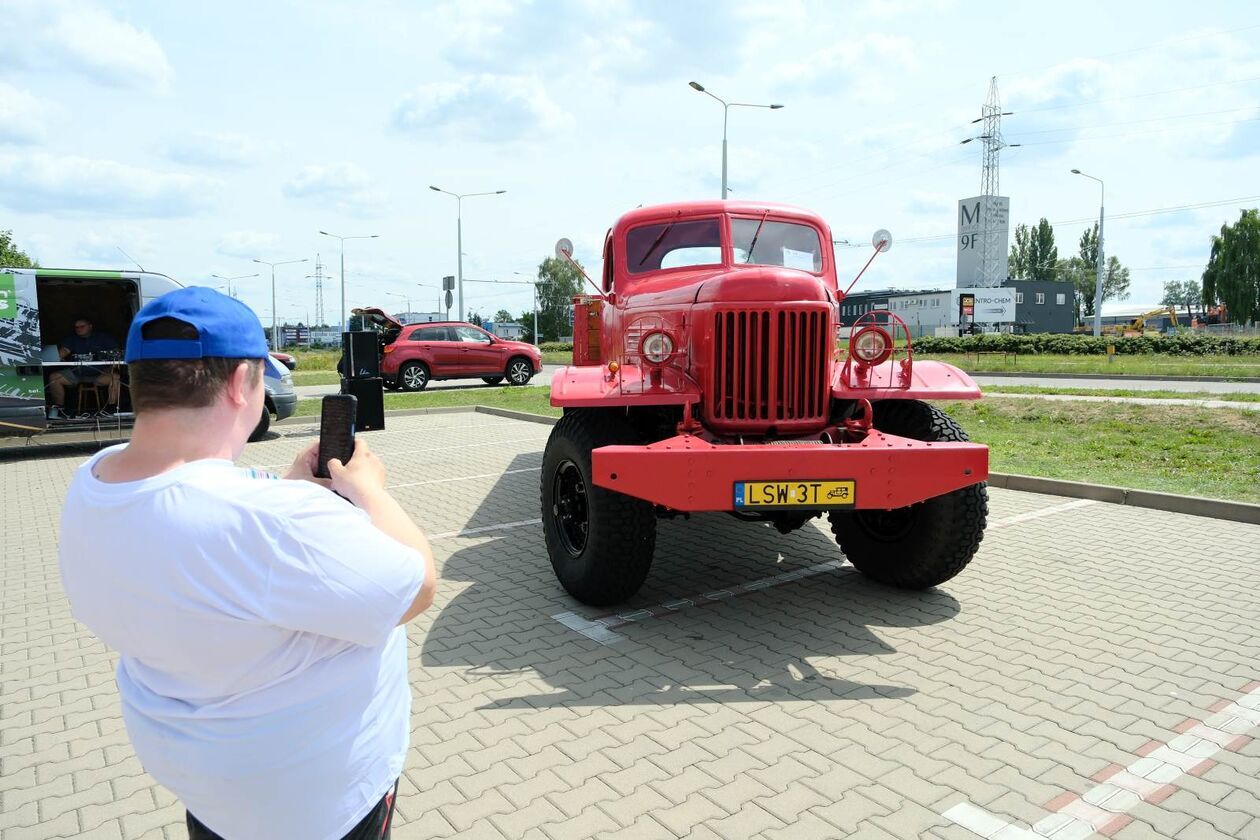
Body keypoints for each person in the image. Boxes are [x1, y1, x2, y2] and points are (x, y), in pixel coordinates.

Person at [58, 288, 436, 840]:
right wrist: (371, 491)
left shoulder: (93, 481)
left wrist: (287, 486)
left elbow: (200, 527)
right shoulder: (274, 522)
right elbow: (418, 585)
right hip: (317, 808)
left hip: (211, 796)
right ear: (240, 383)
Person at [48, 316, 123, 416]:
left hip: (99, 374)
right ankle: (59, 410)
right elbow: (63, 352)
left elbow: (116, 353)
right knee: (54, 377)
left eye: (82, 326)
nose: (78, 329)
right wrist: (56, 355)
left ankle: (111, 409)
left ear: (90, 326)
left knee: (115, 377)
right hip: (76, 374)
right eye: (76, 327)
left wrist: (107, 358)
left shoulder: (103, 337)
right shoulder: (72, 339)